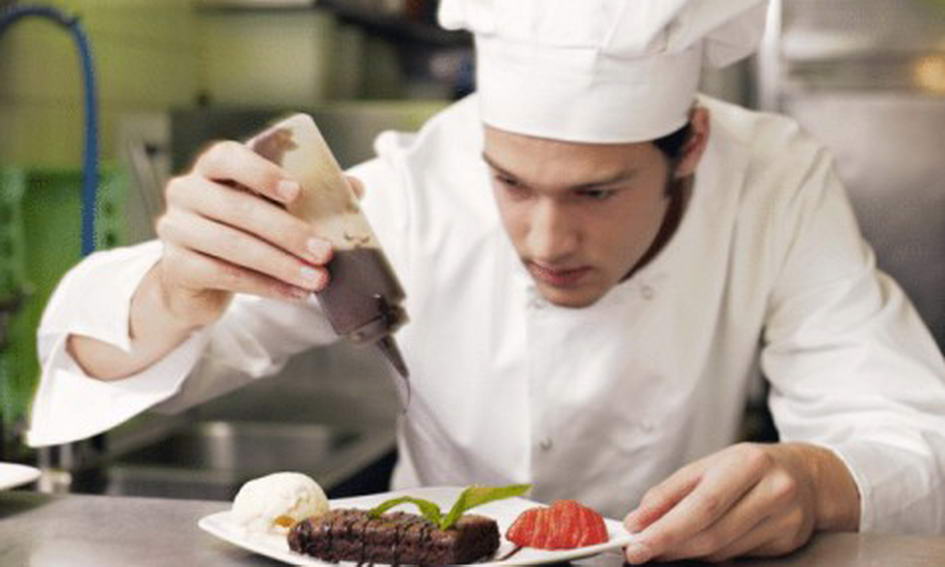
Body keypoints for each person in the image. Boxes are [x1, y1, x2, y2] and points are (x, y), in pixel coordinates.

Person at [28, 0, 945, 563]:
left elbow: (911, 434)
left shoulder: (772, 180)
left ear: (690, 145)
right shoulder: (412, 187)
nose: (545, 239)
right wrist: (176, 292)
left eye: (596, 191)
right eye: (508, 182)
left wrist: (814, 480)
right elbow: (93, 357)